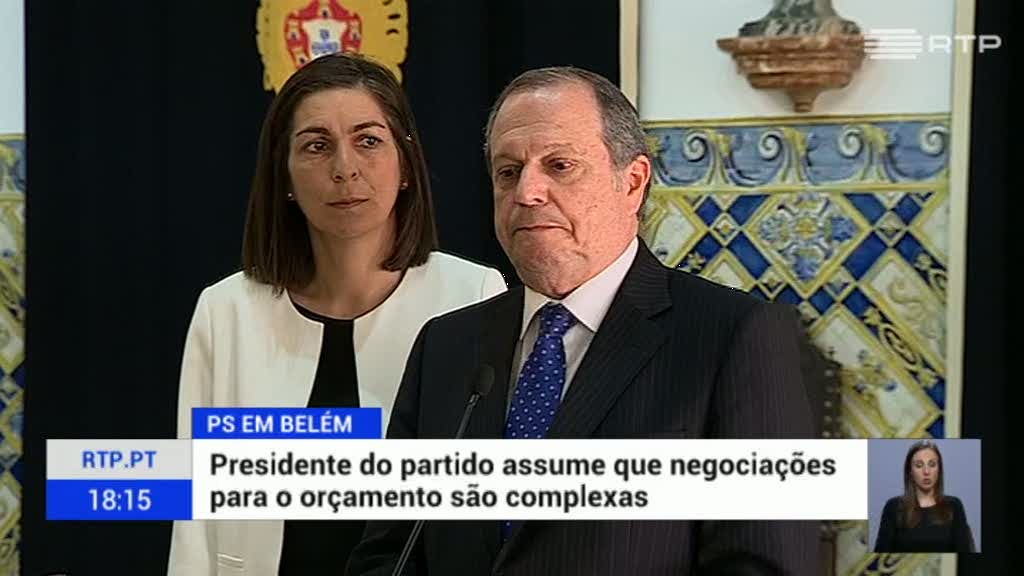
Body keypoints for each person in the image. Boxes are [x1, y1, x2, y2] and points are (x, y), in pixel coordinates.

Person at [346, 67, 818, 576]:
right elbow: (388, 552)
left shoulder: (735, 336)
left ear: (632, 183)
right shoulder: (447, 345)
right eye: (508, 172)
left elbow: (762, 563)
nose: (528, 192)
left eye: (560, 165)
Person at [166, 52, 506, 575]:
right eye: (317, 145)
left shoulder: (472, 294)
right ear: (284, 174)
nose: (345, 168)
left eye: (368, 141)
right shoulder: (225, 310)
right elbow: (193, 509)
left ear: (405, 165)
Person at [874, 440, 976, 553]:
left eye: (932, 465)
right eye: (919, 465)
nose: (926, 471)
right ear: (910, 472)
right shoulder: (893, 506)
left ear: (939, 470)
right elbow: (880, 554)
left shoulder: (954, 505)